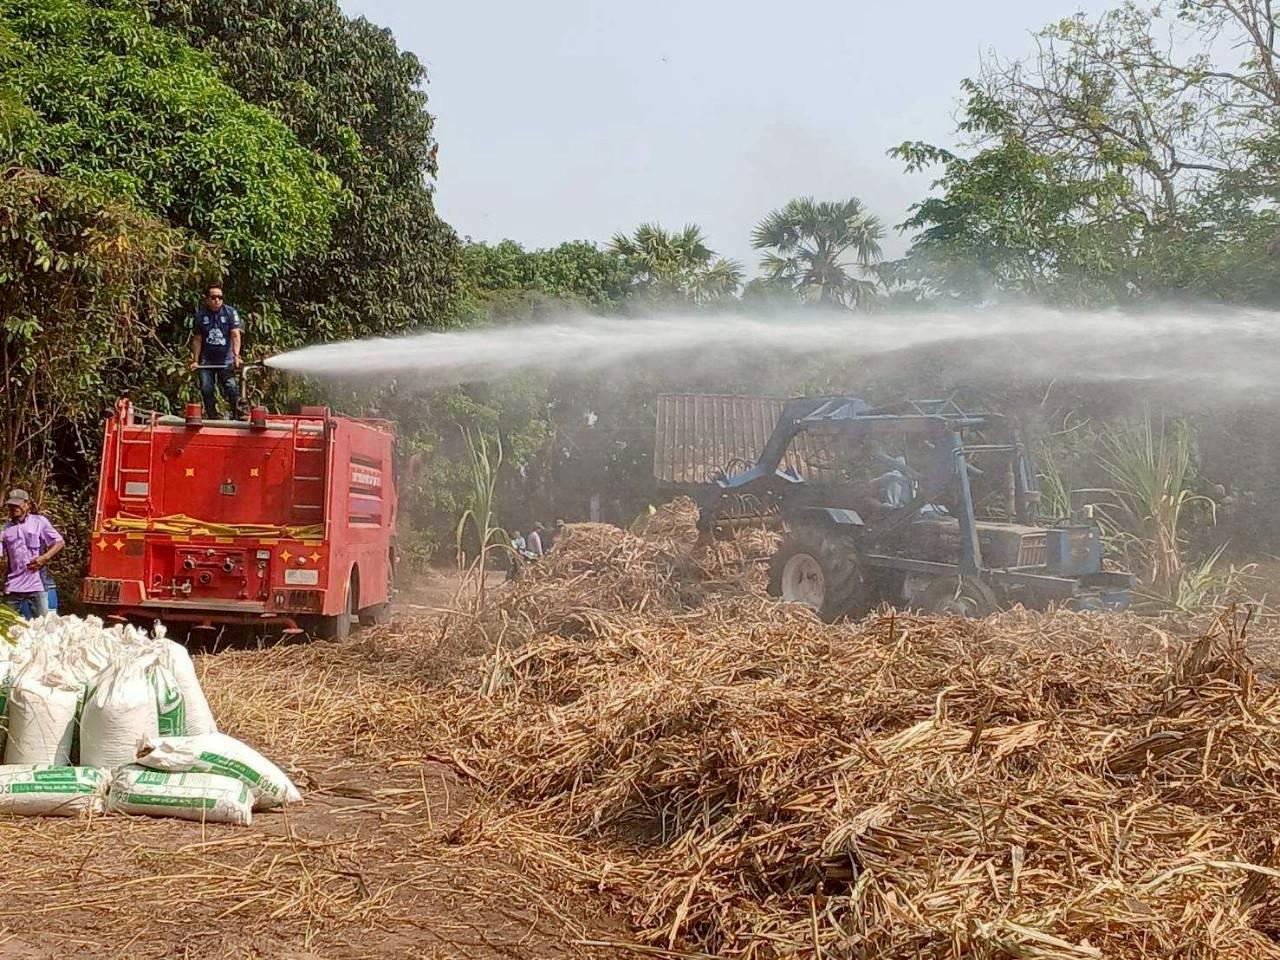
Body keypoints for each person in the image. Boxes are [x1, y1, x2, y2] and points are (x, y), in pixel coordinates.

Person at [1, 490, 63, 618]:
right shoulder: (5, 530)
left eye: (17, 505)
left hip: (37, 585)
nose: (14, 508)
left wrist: (44, 558)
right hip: (13, 586)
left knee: (43, 627)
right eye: (11, 505)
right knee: (6, 626)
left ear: (27, 505)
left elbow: (59, 542)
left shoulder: (40, 522)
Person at [190, 284, 244, 420]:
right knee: (206, 389)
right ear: (207, 299)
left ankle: (238, 414)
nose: (217, 300)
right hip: (206, 362)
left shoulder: (230, 312)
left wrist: (236, 356)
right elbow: (197, 339)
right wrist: (195, 361)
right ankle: (212, 416)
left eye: (220, 297)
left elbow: (235, 335)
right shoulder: (200, 316)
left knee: (231, 387)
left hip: (226, 361)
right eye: (213, 297)